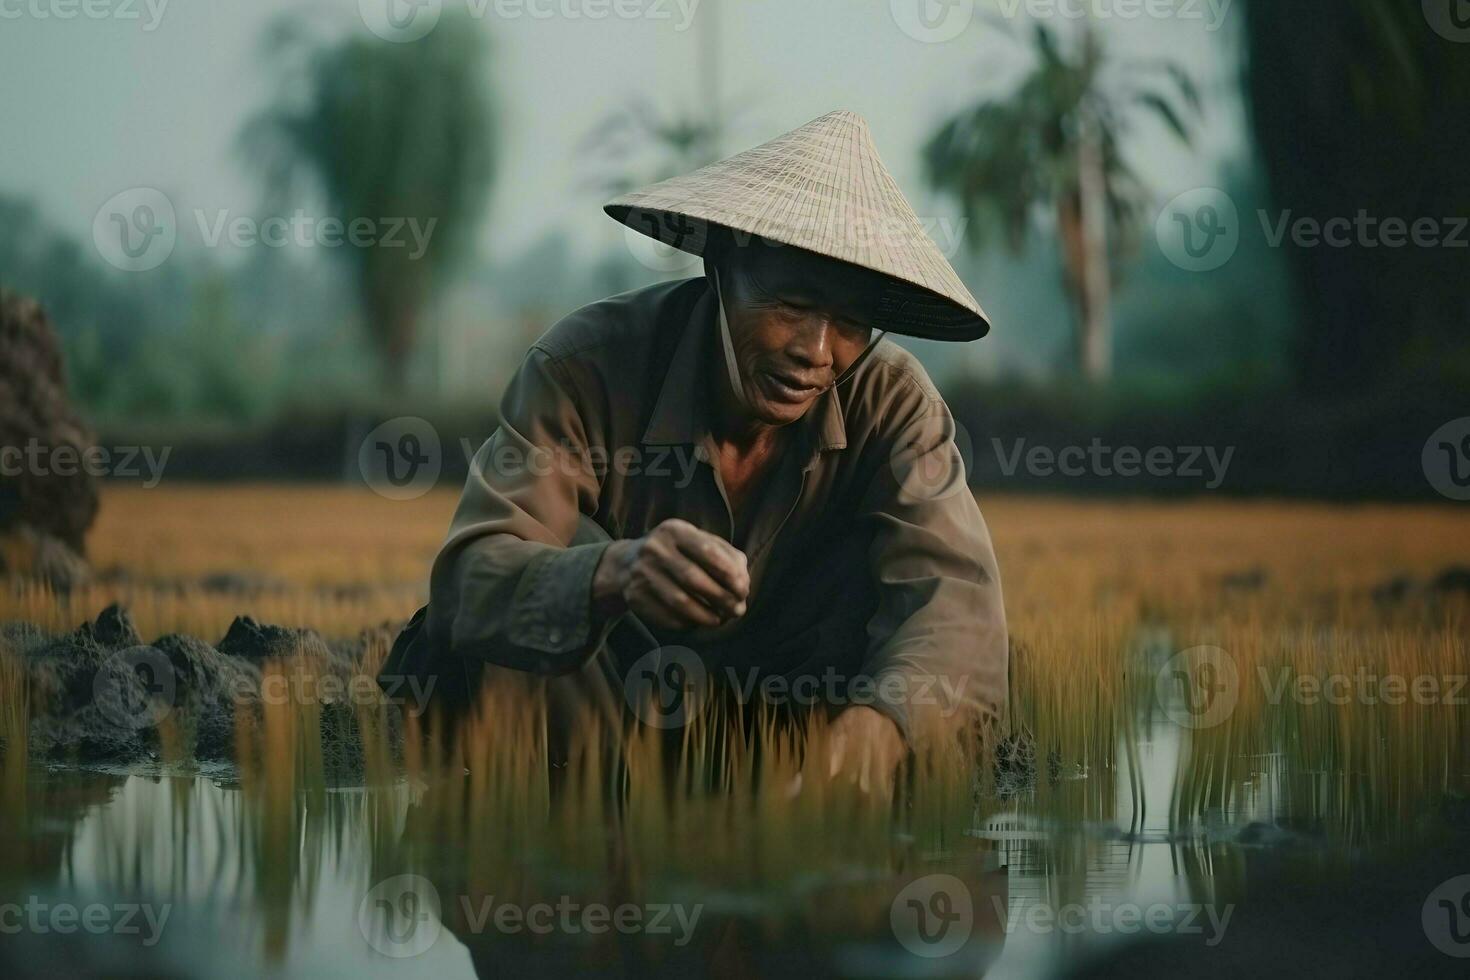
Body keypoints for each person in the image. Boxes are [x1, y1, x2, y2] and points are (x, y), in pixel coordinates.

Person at [381, 110, 1008, 797]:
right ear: (720, 269)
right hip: (598, 720)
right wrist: (611, 573)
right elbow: (470, 585)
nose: (816, 350)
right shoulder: (585, 369)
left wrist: (869, 741)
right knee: (566, 556)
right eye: (791, 304)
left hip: (785, 727)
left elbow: (955, 609)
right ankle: (583, 840)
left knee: (897, 602)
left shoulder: (895, 406)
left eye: (850, 322)